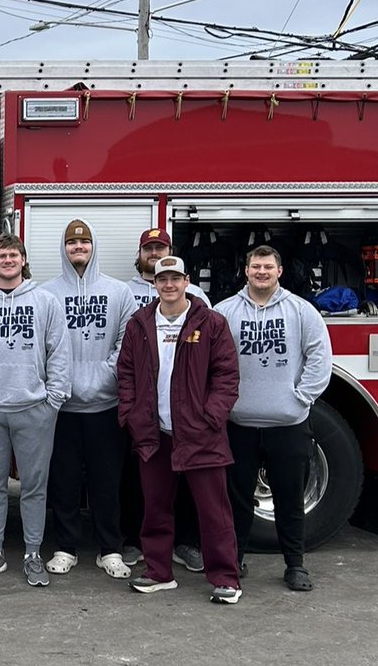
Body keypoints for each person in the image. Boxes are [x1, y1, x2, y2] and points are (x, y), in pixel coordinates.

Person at [117, 256, 243, 604]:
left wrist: (211, 417)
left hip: (201, 434)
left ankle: (226, 578)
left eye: (175, 278)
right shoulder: (140, 324)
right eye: (162, 279)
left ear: (187, 281)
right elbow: (125, 372)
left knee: (213, 511)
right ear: (153, 284)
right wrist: (130, 414)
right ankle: (158, 572)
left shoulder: (211, 322)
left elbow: (226, 376)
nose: (168, 285)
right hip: (154, 434)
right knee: (155, 508)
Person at [216, 245, 333, 592]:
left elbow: (319, 358)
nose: (261, 272)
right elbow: (212, 362)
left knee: (289, 499)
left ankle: (295, 565)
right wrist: (224, 404)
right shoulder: (225, 312)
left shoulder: (302, 311)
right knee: (236, 501)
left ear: (279, 271)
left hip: (288, 425)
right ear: (246, 271)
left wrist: (299, 399)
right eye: (255, 266)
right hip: (239, 425)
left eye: (268, 266)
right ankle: (233, 561)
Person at [0, 235, 70, 585]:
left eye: (14, 254)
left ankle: (33, 553)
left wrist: (53, 401)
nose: (7, 260)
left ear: (23, 260)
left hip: (33, 408)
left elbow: (58, 353)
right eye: (1, 255)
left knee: (35, 486)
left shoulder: (45, 301)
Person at [40, 219, 138, 582]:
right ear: (63, 249)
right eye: (71, 244)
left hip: (104, 405)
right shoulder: (47, 294)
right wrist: (59, 384)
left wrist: (101, 378)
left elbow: (125, 346)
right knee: (63, 482)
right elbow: (44, 348)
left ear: (93, 246)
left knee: (106, 482)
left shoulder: (118, 293)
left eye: (83, 243)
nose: (77, 248)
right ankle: (65, 548)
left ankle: (109, 550)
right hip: (62, 407)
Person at [124, 227, 210, 572]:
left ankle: (187, 543)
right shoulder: (124, 293)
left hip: (187, 411)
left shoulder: (198, 298)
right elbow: (124, 354)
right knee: (136, 480)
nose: (155, 254)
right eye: (149, 249)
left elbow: (213, 350)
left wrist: (209, 411)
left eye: (161, 248)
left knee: (189, 481)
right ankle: (133, 541)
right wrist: (129, 409)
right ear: (141, 254)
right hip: (146, 409)